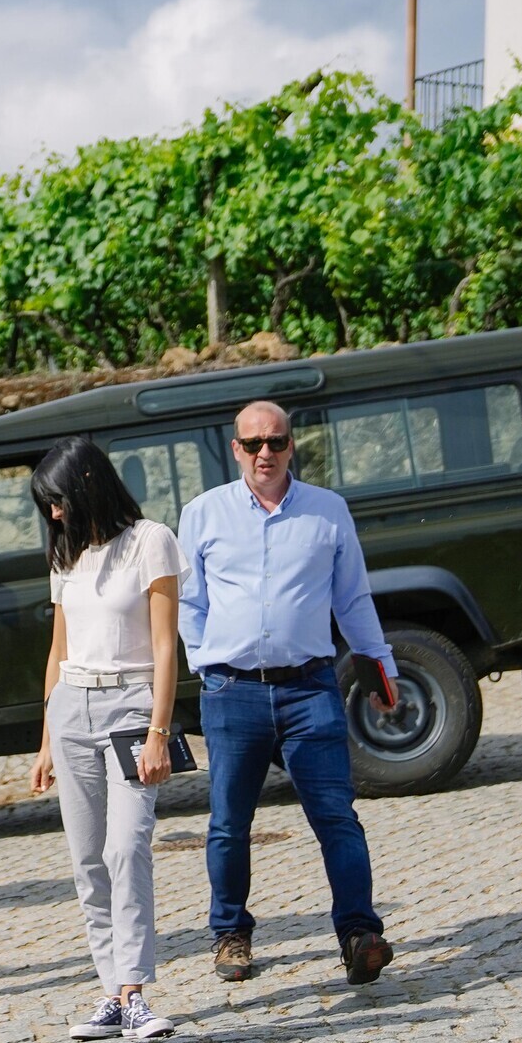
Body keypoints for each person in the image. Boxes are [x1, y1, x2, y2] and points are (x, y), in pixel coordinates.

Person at [179, 400, 398, 987]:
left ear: (291, 445)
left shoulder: (328, 511)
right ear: (236, 450)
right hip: (233, 692)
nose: (265, 453)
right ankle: (230, 933)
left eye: (276, 441)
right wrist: (206, 665)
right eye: (253, 444)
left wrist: (380, 671)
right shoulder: (203, 514)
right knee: (229, 823)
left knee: (337, 816)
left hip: (309, 689)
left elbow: (353, 599)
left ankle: (359, 935)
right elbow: (189, 601)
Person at [26, 437, 183, 1043]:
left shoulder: (151, 541)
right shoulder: (66, 554)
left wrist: (159, 732)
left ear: (87, 485)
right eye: (47, 505)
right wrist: (46, 739)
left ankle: (136, 993)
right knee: (88, 859)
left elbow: (166, 647)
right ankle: (111, 993)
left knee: (126, 847)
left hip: (131, 708)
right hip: (71, 709)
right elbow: (57, 652)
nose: (53, 513)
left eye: (58, 500)